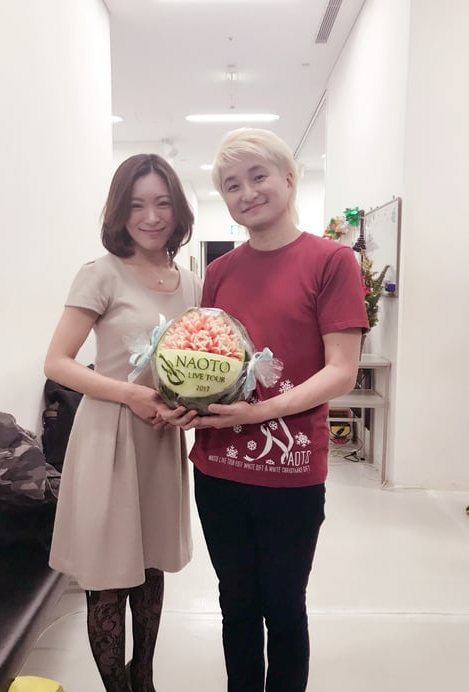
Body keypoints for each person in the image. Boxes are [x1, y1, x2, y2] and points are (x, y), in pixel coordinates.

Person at [164, 128, 369, 692]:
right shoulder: (221, 272)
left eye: (258, 176)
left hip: (290, 470)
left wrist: (257, 414)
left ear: (289, 179)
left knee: (282, 605)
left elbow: (340, 370)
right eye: (232, 185)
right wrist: (184, 403)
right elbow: (209, 361)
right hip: (217, 468)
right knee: (235, 604)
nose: (247, 192)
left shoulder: (332, 261)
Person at [44, 153, 201, 692]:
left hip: (159, 440)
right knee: (109, 577)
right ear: (119, 211)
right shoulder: (100, 273)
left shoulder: (190, 283)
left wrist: (191, 404)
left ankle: (144, 679)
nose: (150, 217)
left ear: (178, 210)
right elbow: (58, 362)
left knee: (150, 566)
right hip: (109, 439)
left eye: (162, 203)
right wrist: (131, 394)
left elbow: (195, 362)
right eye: (136, 205)